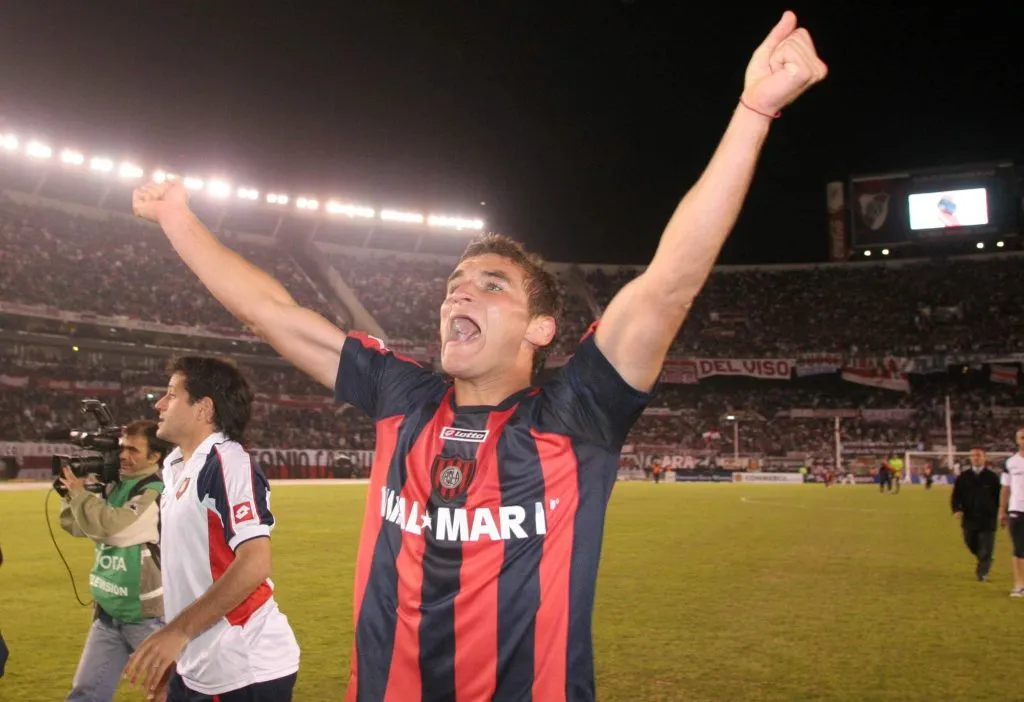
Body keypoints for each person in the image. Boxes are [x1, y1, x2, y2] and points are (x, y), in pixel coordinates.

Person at [131, 12, 826, 700]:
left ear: (541, 330)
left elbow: (668, 284)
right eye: (454, 286)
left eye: (492, 287)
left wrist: (753, 111)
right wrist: (177, 219)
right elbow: (272, 313)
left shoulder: (577, 414)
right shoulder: (401, 397)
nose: (460, 296)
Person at [123, 357, 300, 700]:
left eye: (171, 395)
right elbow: (188, 575)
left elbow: (255, 562)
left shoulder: (227, 463)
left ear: (203, 408)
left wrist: (177, 632)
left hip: (243, 668)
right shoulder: (175, 467)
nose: (160, 404)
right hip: (197, 664)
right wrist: (174, 662)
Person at [58, 420, 171, 702]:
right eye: (122, 448)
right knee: (86, 693)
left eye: (133, 449)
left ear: (155, 456)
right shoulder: (114, 485)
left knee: (171, 694)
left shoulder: (154, 491)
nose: (123, 455)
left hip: (146, 616)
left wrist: (81, 497)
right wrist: (77, 494)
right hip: (109, 612)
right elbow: (79, 527)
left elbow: (115, 530)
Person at [951, 448, 1001, 582]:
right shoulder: (964, 476)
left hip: (987, 518)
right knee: (970, 541)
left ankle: (982, 573)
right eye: (973, 455)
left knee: (986, 546)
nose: (975, 458)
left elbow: (999, 496)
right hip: (969, 517)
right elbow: (956, 495)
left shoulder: (992, 477)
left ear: (985, 458)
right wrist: (957, 509)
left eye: (978, 455)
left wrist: (1001, 512)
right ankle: (985, 558)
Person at [1000, 428, 1024, 597]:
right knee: (1019, 549)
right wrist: (1002, 509)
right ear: (1017, 440)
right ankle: (1019, 586)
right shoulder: (1010, 462)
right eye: (1022, 437)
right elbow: (1005, 487)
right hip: (1016, 510)